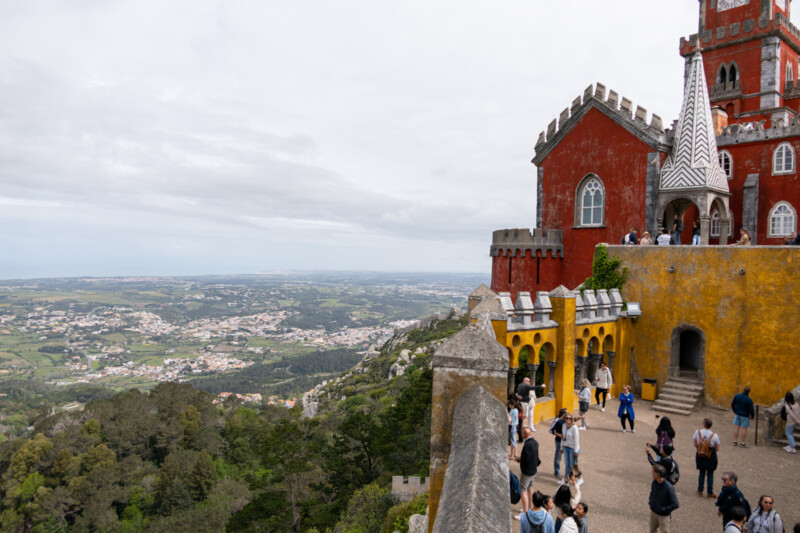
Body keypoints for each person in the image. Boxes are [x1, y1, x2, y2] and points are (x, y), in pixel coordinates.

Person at [515, 427, 541, 520]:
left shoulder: (527, 445)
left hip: (527, 472)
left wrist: (519, 459)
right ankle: (530, 507)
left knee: (523, 490)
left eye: (522, 433)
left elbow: (525, 459)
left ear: (524, 434)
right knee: (530, 489)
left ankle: (525, 512)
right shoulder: (535, 442)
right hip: (533, 470)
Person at [693, 417, 720, 498]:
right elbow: (717, 449)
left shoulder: (697, 432)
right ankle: (710, 492)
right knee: (710, 474)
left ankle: (700, 490)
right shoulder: (715, 436)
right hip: (710, 456)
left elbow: (695, 444)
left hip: (700, 454)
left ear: (704, 424)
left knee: (701, 473)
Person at [649, 464, 679, 533]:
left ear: (657, 475)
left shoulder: (669, 488)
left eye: (653, 472)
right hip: (653, 512)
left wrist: (664, 509)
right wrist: (651, 502)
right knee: (652, 530)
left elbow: (676, 504)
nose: (651, 473)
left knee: (664, 531)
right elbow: (652, 492)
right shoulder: (654, 482)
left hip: (663, 516)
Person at [562, 413, 580, 483]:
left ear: (572, 419)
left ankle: (579, 478)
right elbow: (563, 437)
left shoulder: (574, 428)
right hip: (566, 448)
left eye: (570, 418)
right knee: (567, 464)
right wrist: (562, 446)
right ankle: (567, 479)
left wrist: (576, 451)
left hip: (573, 449)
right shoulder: (564, 426)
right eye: (566, 418)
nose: (568, 419)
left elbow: (576, 440)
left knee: (572, 465)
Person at [552, 408, 568, 478]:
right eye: (567, 413)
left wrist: (581, 417)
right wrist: (559, 435)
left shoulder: (567, 420)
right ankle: (556, 471)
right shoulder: (558, 422)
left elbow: (574, 419)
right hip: (559, 442)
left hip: (567, 442)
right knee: (558, 457)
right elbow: (551, 430)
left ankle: (568, 474)